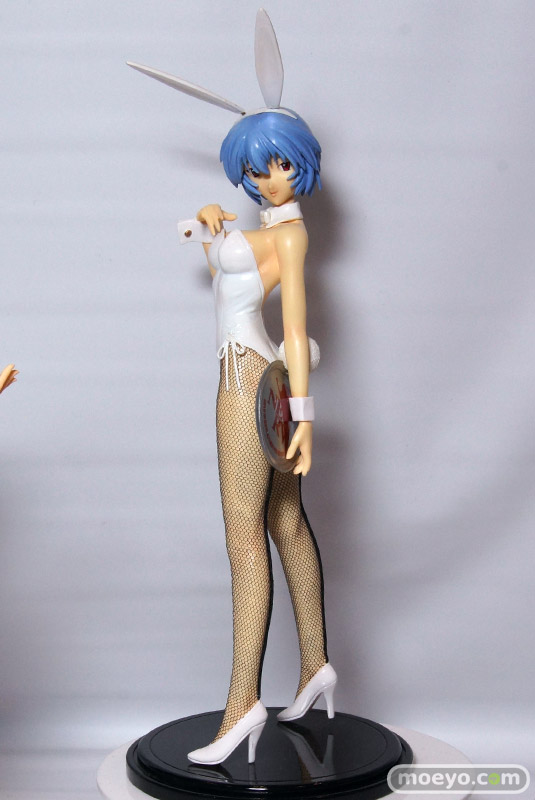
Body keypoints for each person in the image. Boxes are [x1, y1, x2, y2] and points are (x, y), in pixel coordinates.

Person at [128, 8, 336, 767]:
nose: (265, 178)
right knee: (284, 521)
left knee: (243, 540)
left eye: (277, 164)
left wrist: (304, 414)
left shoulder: (288, 235)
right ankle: (315, 667)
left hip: (247, 381)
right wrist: (213, 224)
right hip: (256, 375)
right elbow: (229, 266)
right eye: (253, 168)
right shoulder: (267, 228)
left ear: (300, 164)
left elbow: (296, 324)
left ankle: (242, 703)